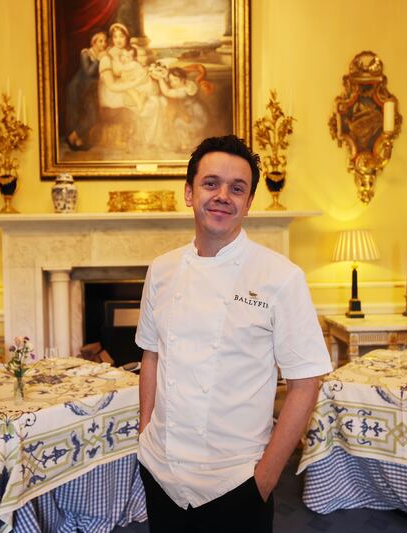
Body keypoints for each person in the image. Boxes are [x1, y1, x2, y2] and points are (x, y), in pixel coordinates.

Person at [135, 135, 333, 532]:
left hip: (236, 483)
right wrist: (144, 437)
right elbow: (152, 356)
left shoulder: (281, 278)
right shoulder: (162, 269)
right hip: (161, 471)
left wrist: (265, 478)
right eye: (211, 183)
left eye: (237, 188)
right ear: (189, 192)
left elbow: (305, 384)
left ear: (249, 202)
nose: (223, 195)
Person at [64, 31, 107, 150]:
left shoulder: (103, 55)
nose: (104, 44)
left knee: (92, 116)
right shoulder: (86, 53)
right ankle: (73, 139)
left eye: (105, 41)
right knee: (79, 115)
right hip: (77, 89)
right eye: (100, 41)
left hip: (89, 90)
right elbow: (88, 72)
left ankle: (74, 139)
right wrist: (98, 60)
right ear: (93, 42)